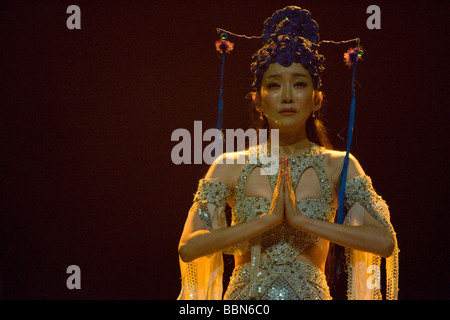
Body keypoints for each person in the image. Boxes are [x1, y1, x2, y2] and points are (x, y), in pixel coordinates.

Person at [177, 6, 399, 300]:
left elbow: (384, 242)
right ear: (257, 101)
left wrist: (300, 221)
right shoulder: (229, 165)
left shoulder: (338, 165)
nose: (287, 96)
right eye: (273, 85)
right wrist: (266, 221)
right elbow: (189, 246)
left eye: (299, 84)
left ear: (317, 99)